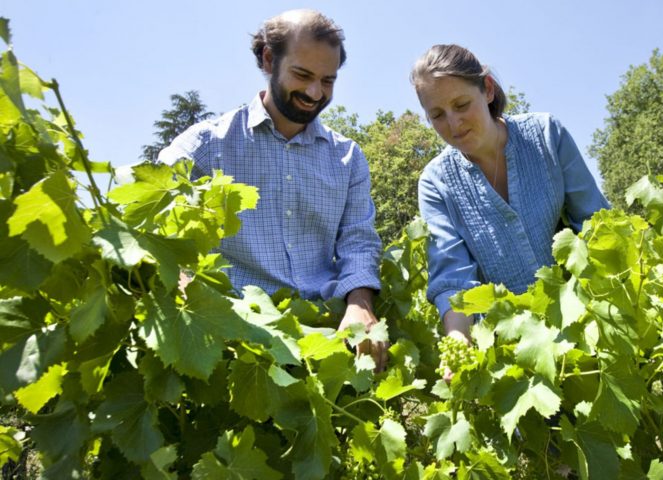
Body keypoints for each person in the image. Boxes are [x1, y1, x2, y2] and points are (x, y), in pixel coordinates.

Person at [158, 9, 386, 369]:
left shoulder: (348, 158)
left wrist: (359, 305)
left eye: (328, 80)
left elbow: (358, 241)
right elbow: (150, 218)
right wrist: (185, 288)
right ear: (268, 58)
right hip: (236, 345)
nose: (315, 92)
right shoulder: (206, 145)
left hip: (327, 340)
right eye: (302, 75)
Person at [411, 44, 609, 355]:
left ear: (487, 90)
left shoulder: (546, 135)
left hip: (585, 326)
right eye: (437, 115)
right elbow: (453, 277)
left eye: (461, 105)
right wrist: (458, 341)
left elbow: (596, 225)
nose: (453, 123)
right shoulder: (436, 183)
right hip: (513, 353)